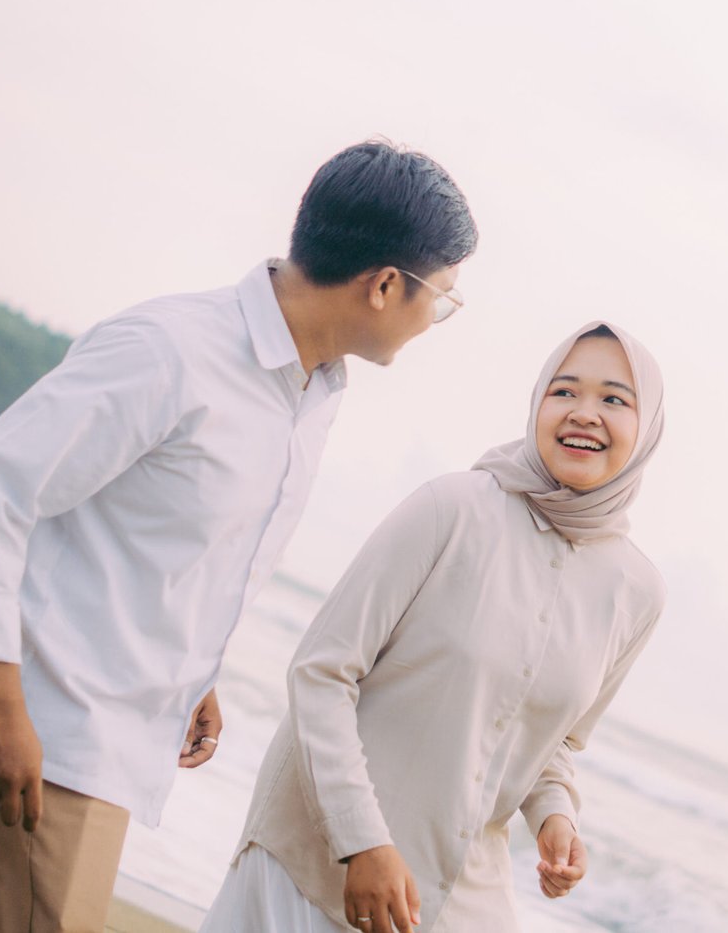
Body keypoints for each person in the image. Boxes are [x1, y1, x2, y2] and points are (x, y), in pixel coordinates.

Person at [0, 140, 478, 933]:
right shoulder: (171, 349)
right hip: (46, 732)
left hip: (97, 738)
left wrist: (192, 670)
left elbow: (168, 543)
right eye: (442, 297)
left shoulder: (313, 390)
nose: (436, 320)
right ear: (385, 285)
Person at [199, 321, 668, 933]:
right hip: (312, 863)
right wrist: (361, 841)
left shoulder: (637, 591)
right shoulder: (452, 508)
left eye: (614, 399)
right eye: (564, 391)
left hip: (460, 892)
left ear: (647, 427)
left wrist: (556, 817)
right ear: (537, 402)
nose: (584, 412)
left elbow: (552, 741)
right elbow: (321, 672)